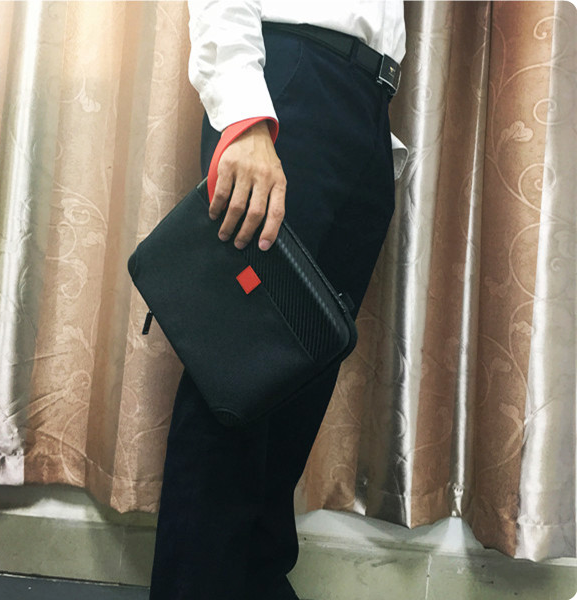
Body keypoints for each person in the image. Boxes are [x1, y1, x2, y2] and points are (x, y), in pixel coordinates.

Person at [148, 2, 407, 599]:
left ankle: (254, 581)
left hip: (365, 107)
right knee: (235, 377)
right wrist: (245, 120)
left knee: (299, 382)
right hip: (291, 84)